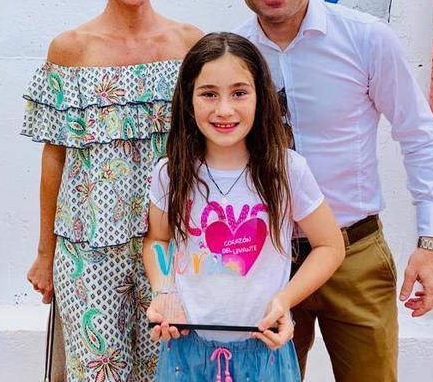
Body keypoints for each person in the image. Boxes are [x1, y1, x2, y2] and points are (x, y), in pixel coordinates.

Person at [226, 0, 433, 382]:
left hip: (356, 256)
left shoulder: (367, 39)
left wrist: (431, 242)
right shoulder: (231, 58)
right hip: (264, 262)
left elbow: (418, 137)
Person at [21, 0, 202, 380]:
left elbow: (212, 149)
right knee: (96, 373)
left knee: (169, 370)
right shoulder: (69, 50)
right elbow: (54, 157)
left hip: (171, 246)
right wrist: (44, 253)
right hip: (86, 251)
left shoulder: (191, 46)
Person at [143, 32, 345, 381]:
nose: (224, 109)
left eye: (239, 93)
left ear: (260, 97)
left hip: (263, 352)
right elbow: (157, 240)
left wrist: (284, 300)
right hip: (186, 353)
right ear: (188, 100)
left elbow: (330, 246)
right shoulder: (170, 172)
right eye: (208, 94)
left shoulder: (287, 169)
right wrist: (164, 291)